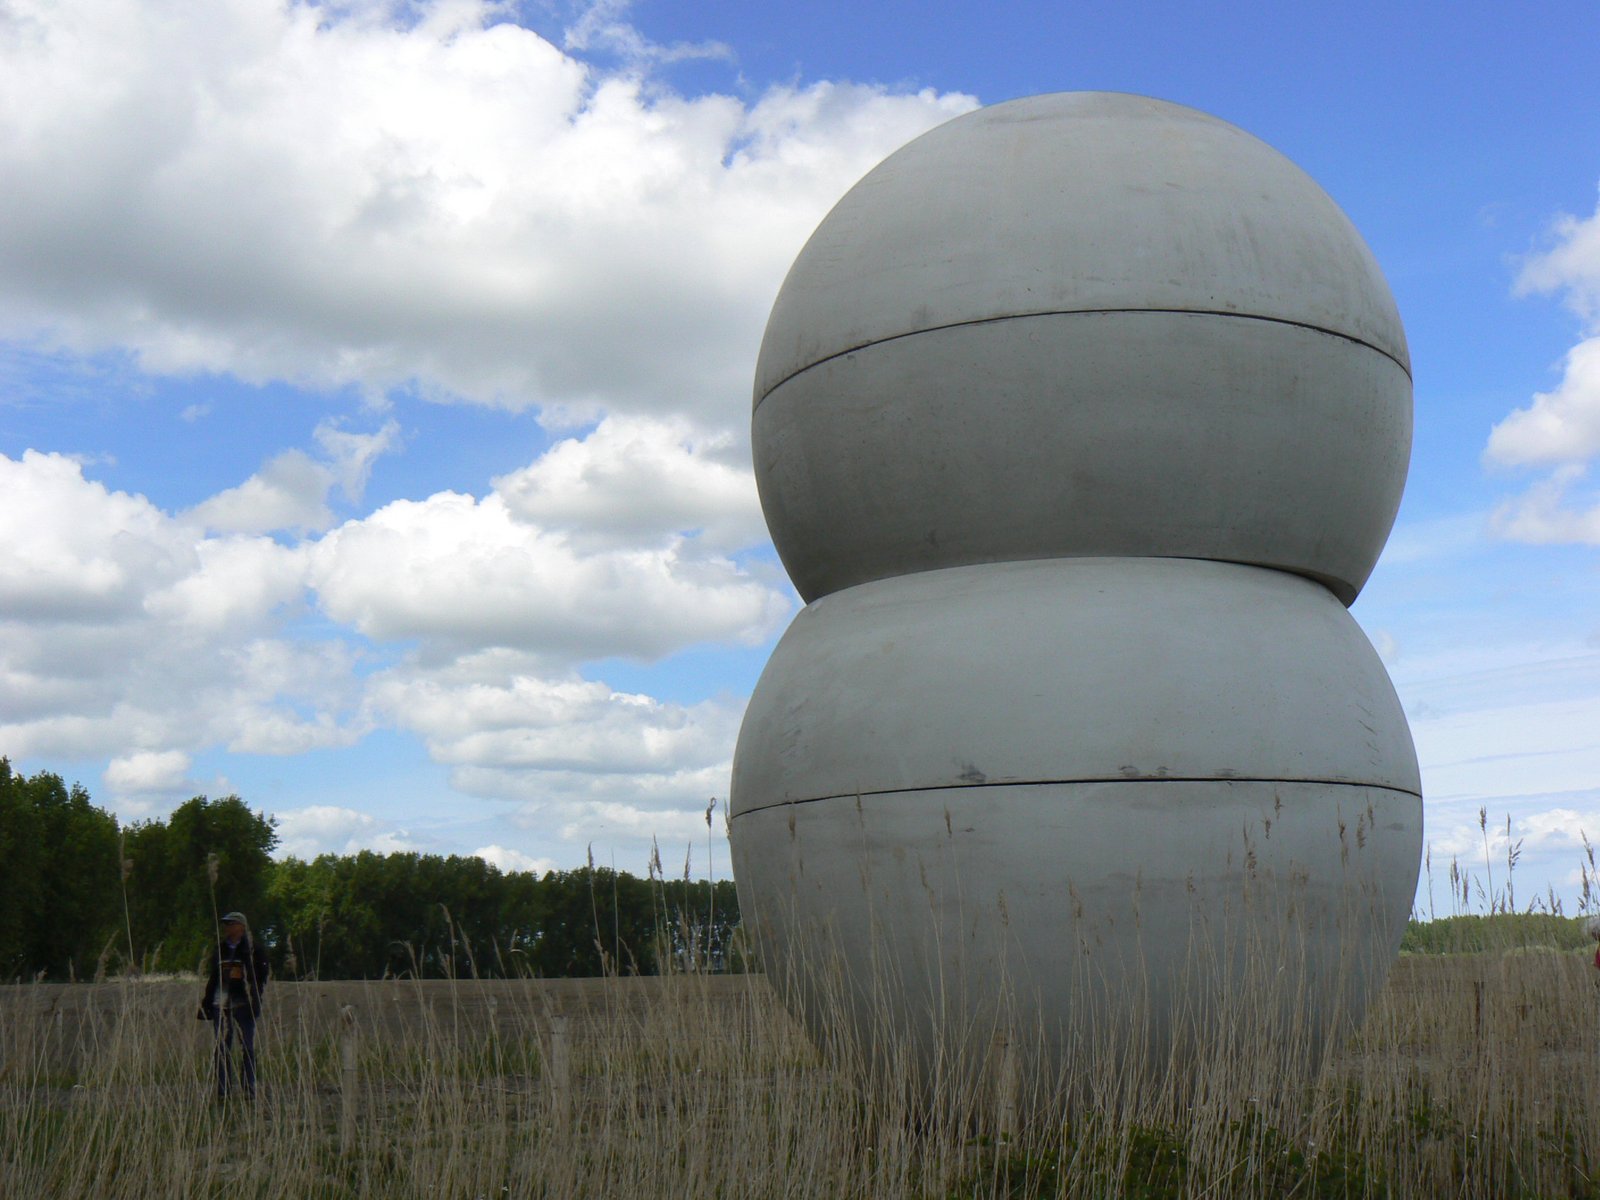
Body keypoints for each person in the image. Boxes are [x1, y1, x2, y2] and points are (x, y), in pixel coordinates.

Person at [197, 911, 270, 1099]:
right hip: (221, 1002)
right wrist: (206, 1003)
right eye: (226, 924)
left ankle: (249, 1088)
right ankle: (223, 1090)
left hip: (244, 1003)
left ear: (241, 926)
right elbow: (214, 977)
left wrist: (254, 997)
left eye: (231, 924)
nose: (227, 928)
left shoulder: (254, 949)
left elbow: (261, 976)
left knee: (247, 1046)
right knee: (222, 1047)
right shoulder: (220, 949)